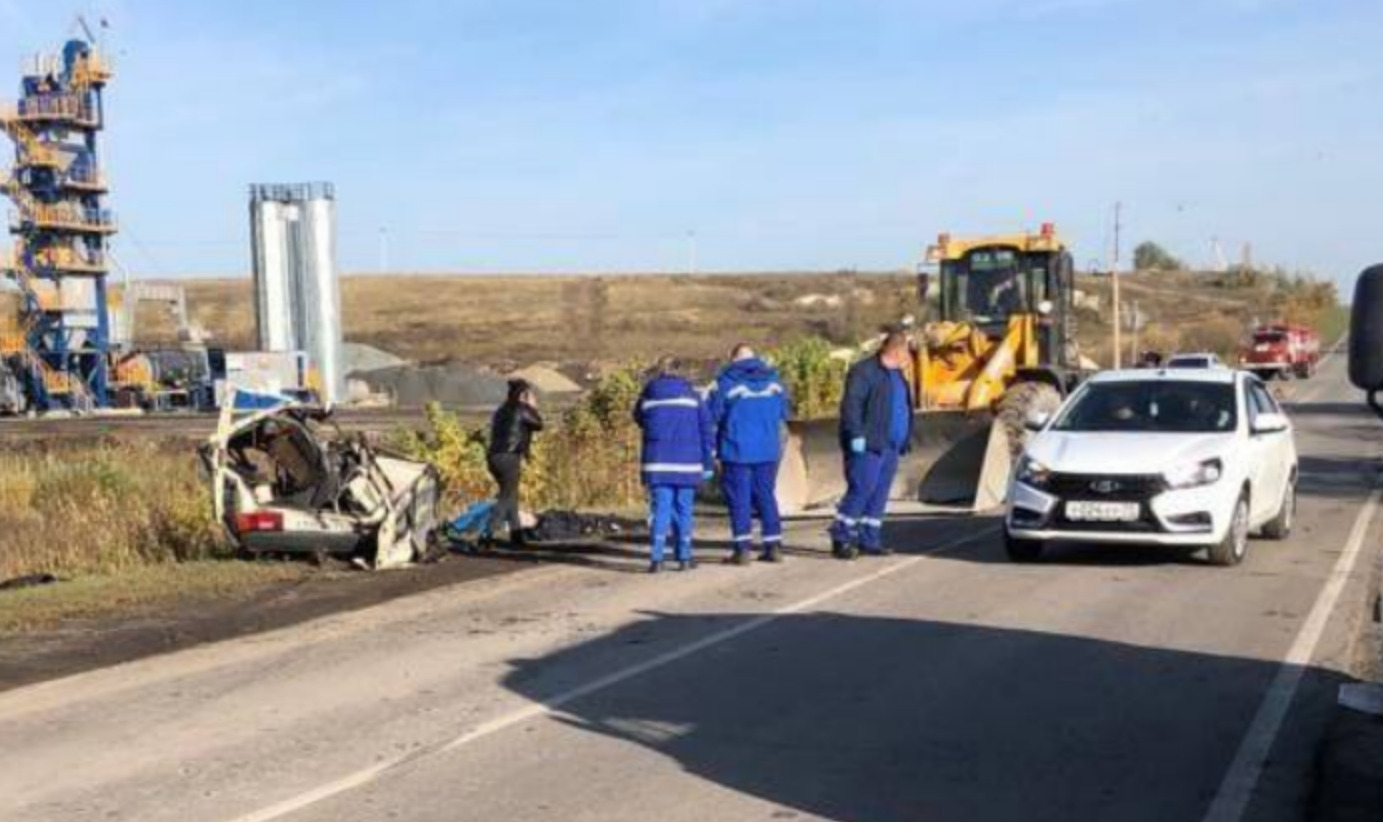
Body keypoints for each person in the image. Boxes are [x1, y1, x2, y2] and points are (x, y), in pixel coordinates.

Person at [831, 331, 913, 559]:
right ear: (896, 351)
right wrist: (856, 434)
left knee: (879, 493)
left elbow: (901, 406)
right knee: (862, 489)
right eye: (906, 350)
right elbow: (852, 405)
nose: (908, 355)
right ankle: (841, 537)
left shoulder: (897, 375)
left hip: (891, 445)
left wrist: (905, 436)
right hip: (868, 444)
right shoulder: (864, 372)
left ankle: (870, 539)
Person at [708, 343, 790, 565]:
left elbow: (712, 415)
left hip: (736, 449)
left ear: (732, 358)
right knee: (766, 496)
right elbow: (786, 412)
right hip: (767, 449)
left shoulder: (725, 382)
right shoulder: (775, 381)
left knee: (739, 499)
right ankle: (773, 546)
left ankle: (742, 549)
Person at [634, 356, 715, 573]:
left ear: (659, 371)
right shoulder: (693, 396)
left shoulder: (648, 395)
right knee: (684, 509)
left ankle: (656, 558)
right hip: (687, 462)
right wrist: (707, 463)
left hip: (657, 462)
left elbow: (638, 418)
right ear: (681, 371)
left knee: (661, 509)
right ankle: (684, 557)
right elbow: (706, 429)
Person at [487, 378, 544, 547]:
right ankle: (486, 535)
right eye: (530, 394)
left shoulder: (501, 410)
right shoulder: (521, 409)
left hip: (493, 457)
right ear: (523, 395)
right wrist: (532, 406)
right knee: (506, 497)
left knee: (511, 496)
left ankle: (517, 536)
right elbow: (539, 424)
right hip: (509, 457)